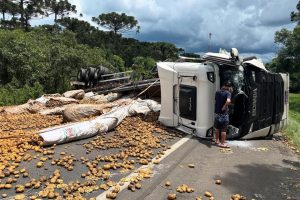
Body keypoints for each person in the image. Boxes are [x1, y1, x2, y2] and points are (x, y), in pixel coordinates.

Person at [214, 81, 233, 148]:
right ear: (229, 87)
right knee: (223, 129)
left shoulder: (218, 92)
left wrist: (224, 104)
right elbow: (228, 101)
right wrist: (225, 106)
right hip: (224, 114)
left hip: (217, 113)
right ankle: (222, 143)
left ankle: (216, 140)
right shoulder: (228, 93)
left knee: (216, 128)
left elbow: (217, 100)